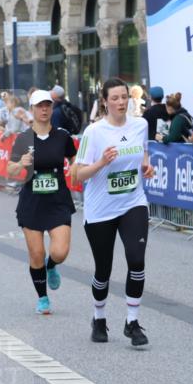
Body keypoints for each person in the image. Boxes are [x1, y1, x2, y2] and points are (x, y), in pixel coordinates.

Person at [72, 77, 156, 347]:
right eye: (115, 98)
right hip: (100, 209)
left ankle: (132, 322)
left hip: (133, 202)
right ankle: (99, 317)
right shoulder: (94, 132)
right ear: (105, 102)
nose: (121, 102)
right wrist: (101, 162)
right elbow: (77, 174)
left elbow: (143, 154)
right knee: (103, 269)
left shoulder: (140, 125)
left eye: (124, 97)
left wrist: (147, 166)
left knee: (137, 259)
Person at [5, 90, 77, 314]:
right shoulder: (24, 138)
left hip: (58, 201)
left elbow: (74, 159)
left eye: (47, 105)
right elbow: (10, 168)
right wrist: (21, 164)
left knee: (60, 251)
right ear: (32, 109)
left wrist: (76, 167)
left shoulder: (62, 136)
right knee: (36, 254)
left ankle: (52, 265)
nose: (44, 109)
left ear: (51, 108)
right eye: (39, 106)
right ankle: (43, 297)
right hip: (32, 202)